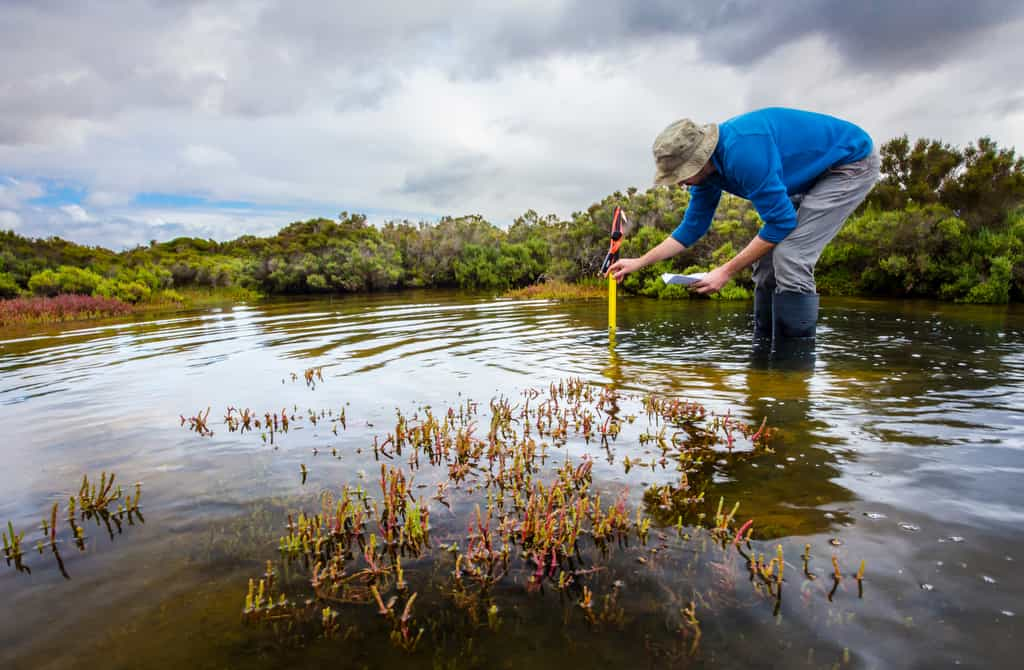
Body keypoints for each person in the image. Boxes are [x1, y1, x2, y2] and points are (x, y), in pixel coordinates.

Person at [607, 107, 880, 344]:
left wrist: (724, 272)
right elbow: (693, 227)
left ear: (700, 160)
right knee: (764, 263)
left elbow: (781, 222)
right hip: (809, 175)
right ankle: (763, 351)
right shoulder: (706, 175)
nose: (680, 182)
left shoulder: (743, 152)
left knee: (791, 255)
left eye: (683, 174)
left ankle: (793, 364)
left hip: (848, 164)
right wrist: (639, 262)